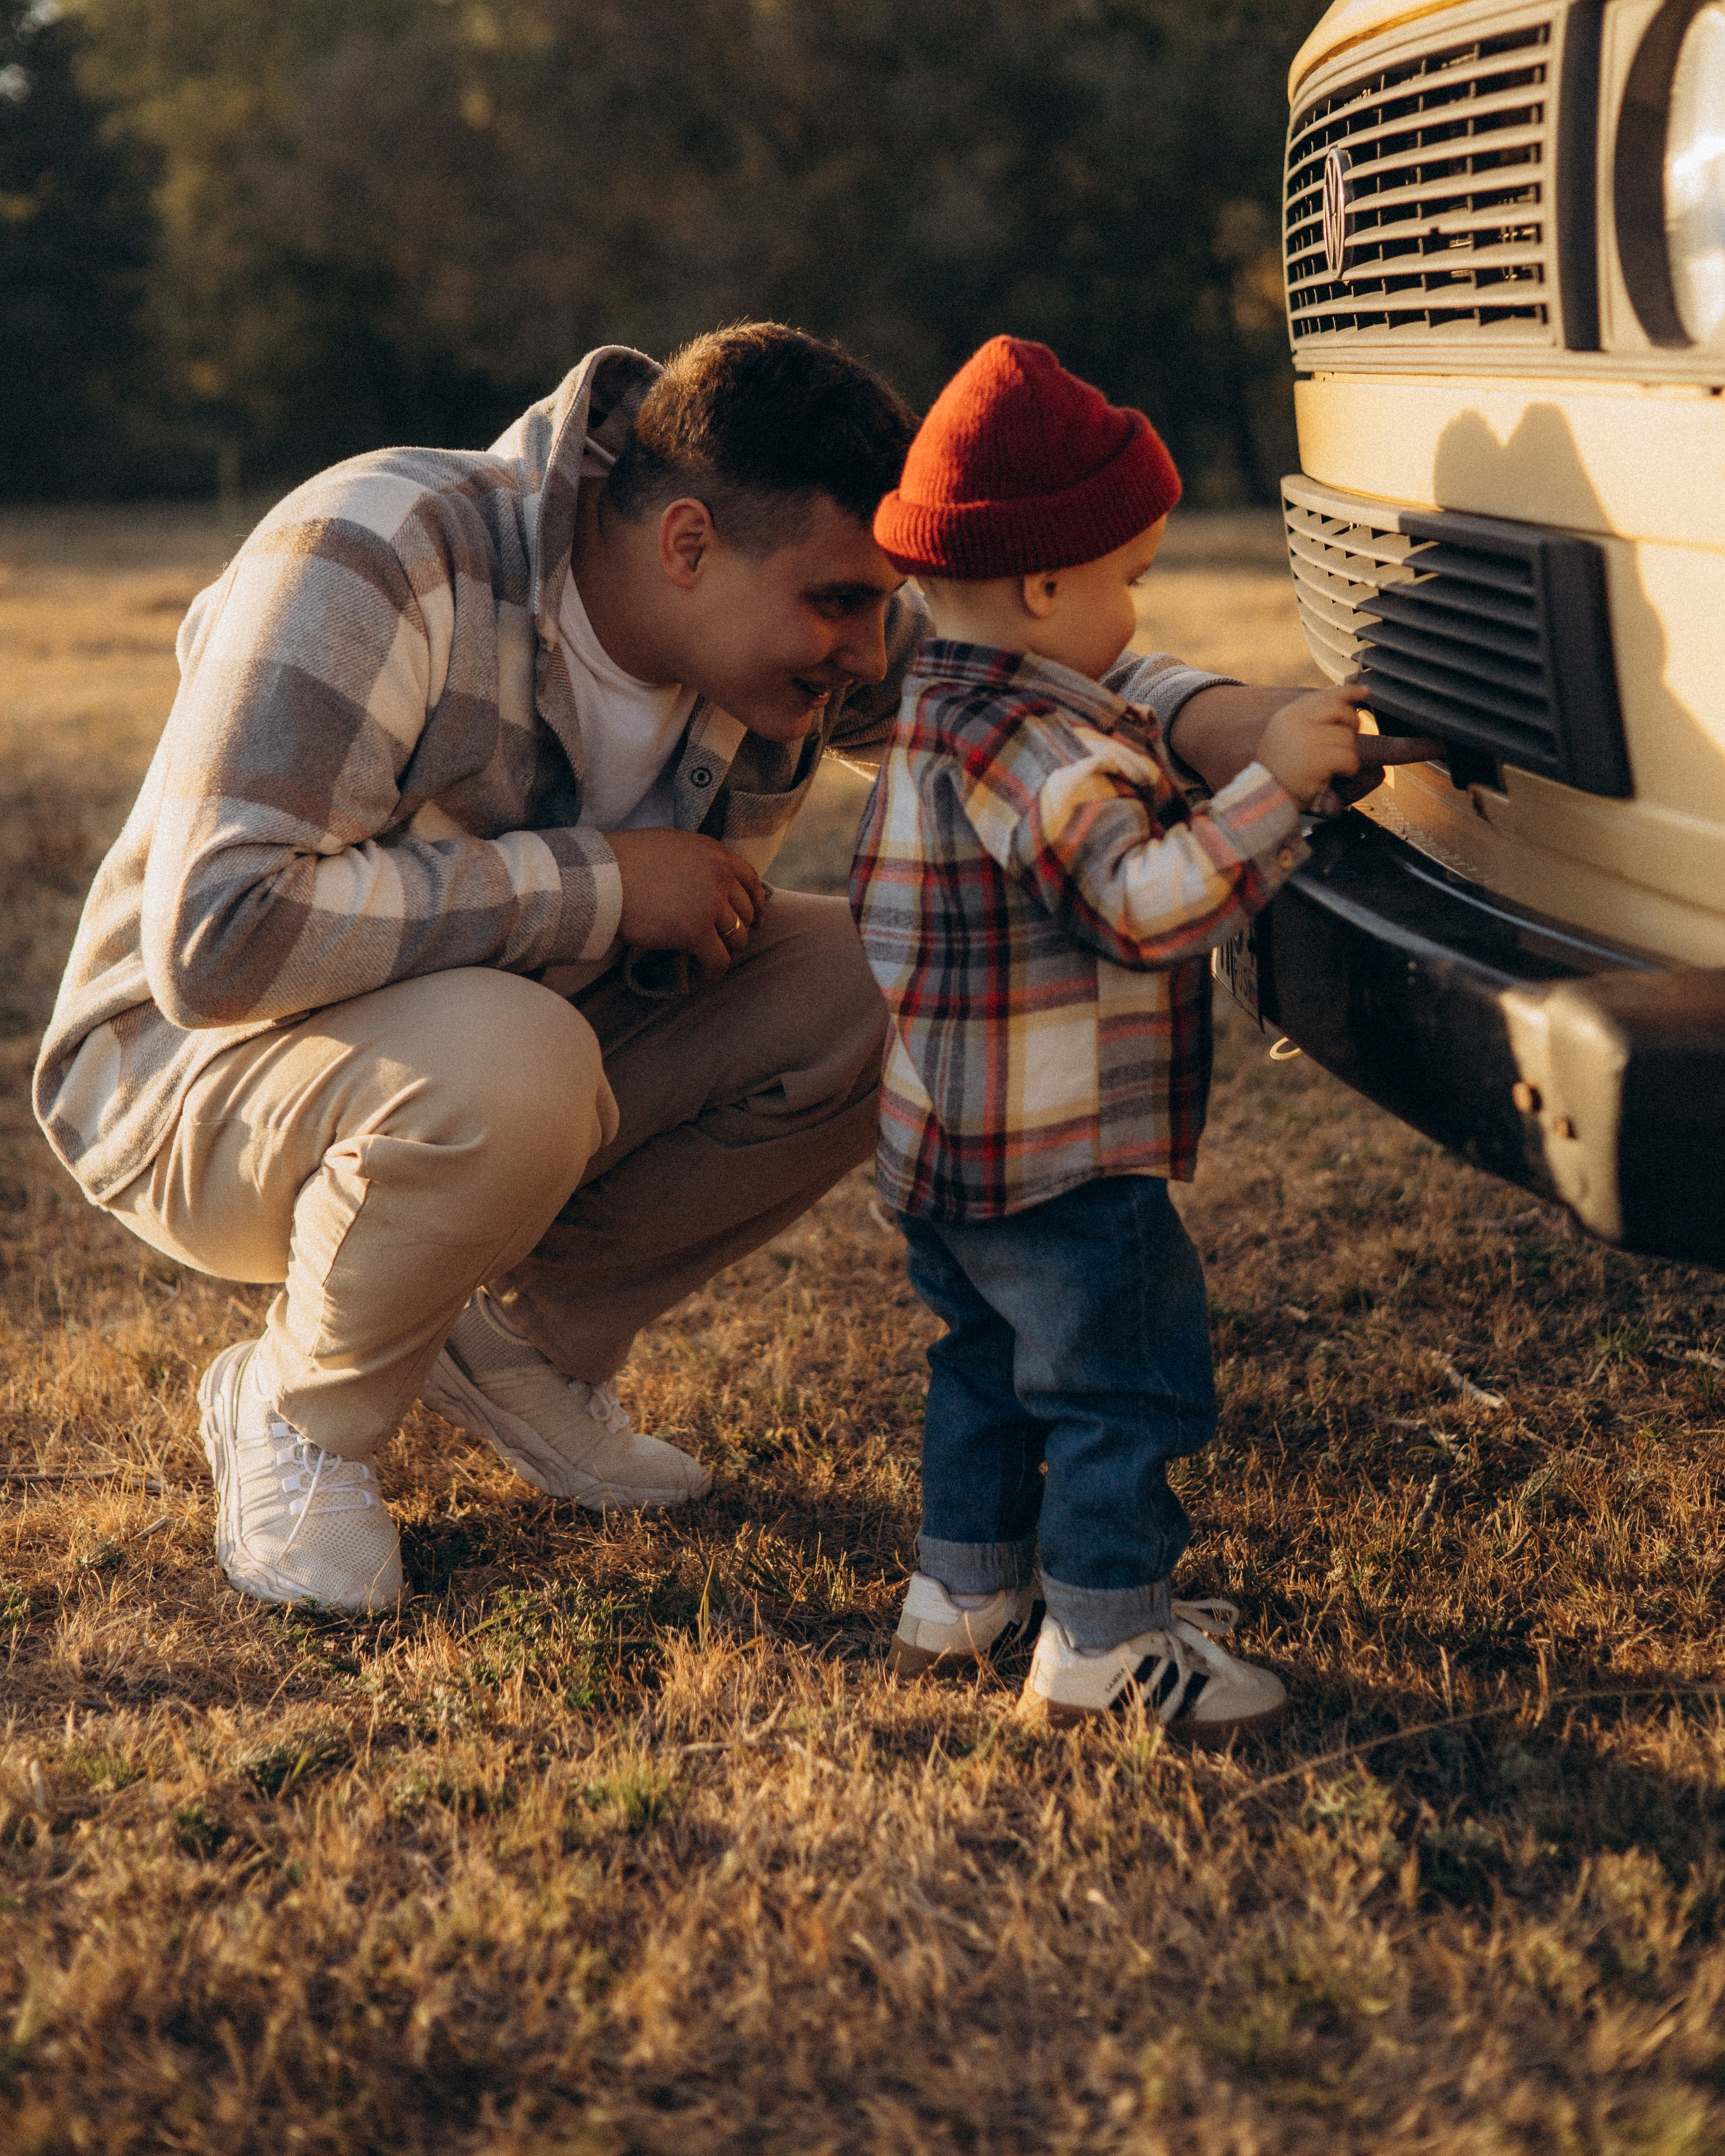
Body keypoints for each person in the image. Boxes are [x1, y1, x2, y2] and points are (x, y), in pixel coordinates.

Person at [33, 320, 1406, 1623]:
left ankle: (527, 1353)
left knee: (897, 979)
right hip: (194, 1086)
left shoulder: (790, 608)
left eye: (884, 609)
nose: (872, 657)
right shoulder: (382, 546)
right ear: (687, 540)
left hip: (511, 1057)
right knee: (517, 1059)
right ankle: (295, 1410)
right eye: (841, 607)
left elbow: (1012, 670)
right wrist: (606, 880)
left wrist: (1243, 725)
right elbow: (218, 935)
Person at [850, 337, 1371, 1740]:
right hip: (1061, 1157)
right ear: (1041, 585)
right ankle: (1104, 1641)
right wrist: (1272, 793)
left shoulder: (935, 716)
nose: (1134, 607)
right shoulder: (1044, 750)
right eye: (1125, 578)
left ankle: (958, 1598)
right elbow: (1141, 908)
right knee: (1116, 1390)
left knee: (980, 1363)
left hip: (941, 1148)